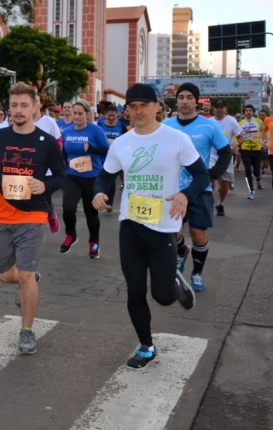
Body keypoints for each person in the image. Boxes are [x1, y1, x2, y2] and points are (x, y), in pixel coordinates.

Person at [92, 83, 203, 370]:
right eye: (133, 106)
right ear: (126, 110)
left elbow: (201, 176)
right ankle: (146, 347)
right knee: (135, 291)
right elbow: (105, 177)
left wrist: (185, 195)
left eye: (144, 105)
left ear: (157, 107)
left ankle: (175, 282)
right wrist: (99, 192)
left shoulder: (176, 139)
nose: (138, 111)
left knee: (163, 297)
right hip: (130, 225)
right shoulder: (122, 143)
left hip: (163, 226)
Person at [0, 82, 66, 355]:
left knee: (25, 275)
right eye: (14, 105)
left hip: (33, 214)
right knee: (7, 276)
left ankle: (27, 331)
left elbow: (62, 176)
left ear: (35, 107)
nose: (18, 110)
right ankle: (29, 279)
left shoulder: (48, 142)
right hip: (1, 213)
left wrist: (46, 185)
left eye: (24, 105)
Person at [163, 83, 231, 293]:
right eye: (181, 97)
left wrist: (211, 175)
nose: (185, 101)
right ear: (177, 101)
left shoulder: (209, 126)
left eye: (189, 97)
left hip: (200, 189)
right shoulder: (165, 125)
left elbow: (226, 153)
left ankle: (197, 273)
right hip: (173, 190)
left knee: (199, 233)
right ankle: (182, 252)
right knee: (173, 231)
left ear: (196, 101)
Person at [59, 100, 109, 257]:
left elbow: (106, 150)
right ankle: (70, 235)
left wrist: (92, 149)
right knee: (68, 208)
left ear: (87, 115)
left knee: (91, 213)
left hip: (92, 177)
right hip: (72, 175)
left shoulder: (95, 130)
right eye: (75, 113)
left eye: (80, 114)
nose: (77, 116)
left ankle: (94, 244)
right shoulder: (67, 132)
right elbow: (64, 154)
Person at [34, 94, 64, 234]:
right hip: (28, 169)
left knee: (45, 199)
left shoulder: (49, 121)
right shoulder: (22, 121)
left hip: (46, 170)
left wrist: (53, 158)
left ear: (40, 104)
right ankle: (34, 228)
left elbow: (58, 141)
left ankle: (51, 215)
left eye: (37, 101)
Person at [211, 99, 241, 215]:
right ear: (214, 109)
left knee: (224, 183)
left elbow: (240, 137)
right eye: (217, 107)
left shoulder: (231, 121)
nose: (219, 109)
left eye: (221, 107)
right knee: (209, 179)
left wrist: (236, 144)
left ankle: (220, 203)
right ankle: (208, 201)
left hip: (225, 155)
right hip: (211, 155)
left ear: (225, 109)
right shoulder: (208, 121)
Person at [98, 104, 125, 211]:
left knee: (111, 180)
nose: (111, 118)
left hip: (114, 157)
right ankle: (98, 199)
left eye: (114, 116)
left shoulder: (121, 126)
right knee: (100, 179)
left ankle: (110, 203)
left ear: (117, 115)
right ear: (105, 114)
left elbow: (126, 139)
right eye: (109, 115)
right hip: (101, 157)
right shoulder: (100, 124)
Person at [238, 104, 264, 199]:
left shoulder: (259, 122)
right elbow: (236, 135)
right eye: (246, 110)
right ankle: (251, 191)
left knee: (256, 171)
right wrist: (236, 145)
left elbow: (264, 133)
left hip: (257, 149)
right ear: (244, 113)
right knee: (248, 170)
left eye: (250, 110)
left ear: (253, 112)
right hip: (245, 149)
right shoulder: (240, 123)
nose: (248, 112)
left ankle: (258, 178)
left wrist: (265, 142)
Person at [258, 109, 271, 174]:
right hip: (258, 145)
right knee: (257, 163)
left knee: (266, 165)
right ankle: (258, 177)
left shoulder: (270, 123)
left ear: (266, 116)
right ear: (258, 116)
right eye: (260, 115)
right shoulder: (256, 123)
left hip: (266, 146)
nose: (262, 116)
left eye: (263, 115)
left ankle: (263, 167)